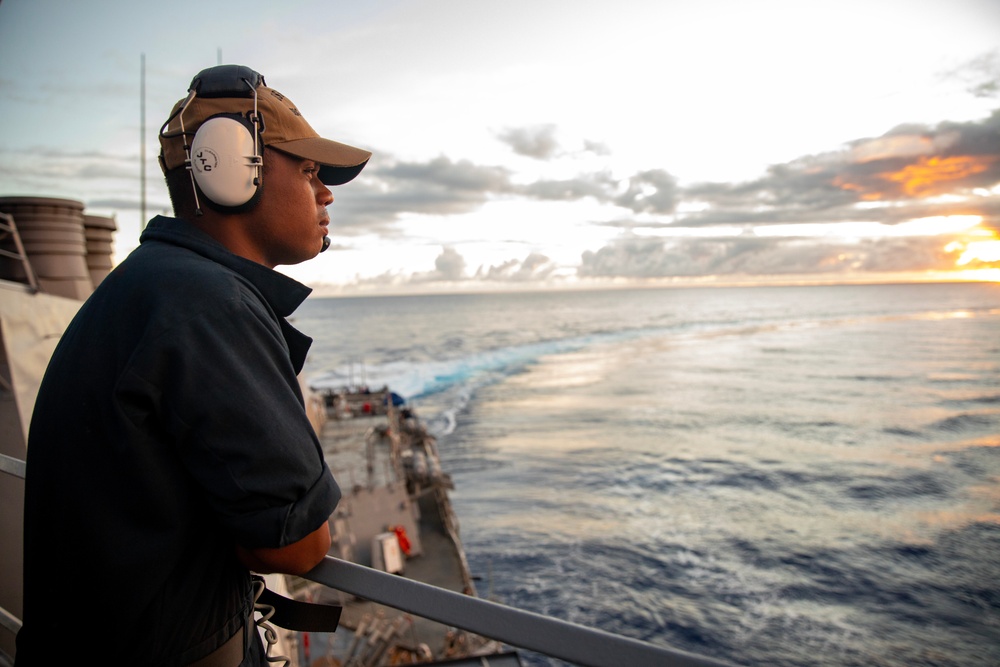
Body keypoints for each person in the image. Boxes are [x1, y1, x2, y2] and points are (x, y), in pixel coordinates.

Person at [16, 64, 371, 666]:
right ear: (232, 166)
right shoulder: (211, 304)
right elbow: (297, 545)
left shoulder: (146, 283)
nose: (327, 192)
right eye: (309, 170)